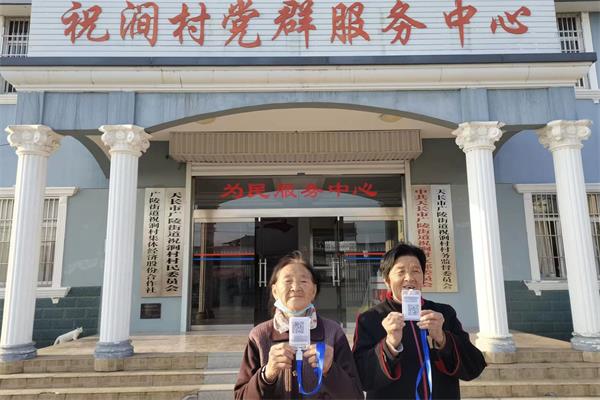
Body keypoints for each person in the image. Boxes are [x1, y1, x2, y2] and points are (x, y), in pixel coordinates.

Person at [353, 243, 486, 399]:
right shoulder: (370, 318)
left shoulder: (443, 314)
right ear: (387, 280)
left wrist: (443, 339)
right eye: (401, 271)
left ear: (423, 278)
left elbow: (473, 367)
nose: (409, 278)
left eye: (416, 271)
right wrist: (389, 345)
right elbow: (360, 377)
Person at [234, 251, 363, 399]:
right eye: (288, 281)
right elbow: (240, 396)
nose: (295, 287)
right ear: (275, 291)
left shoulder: (333, 332)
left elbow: (356, 396)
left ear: (314, 291)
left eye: (303, 281)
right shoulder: (259, 336)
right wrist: (266, 374)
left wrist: (331, 370)